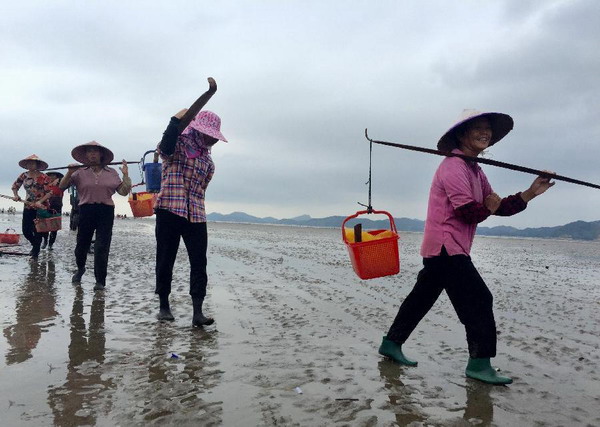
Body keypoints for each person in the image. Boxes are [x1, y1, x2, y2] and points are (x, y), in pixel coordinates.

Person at [379, 110, 555, 385]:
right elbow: (468, 213)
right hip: (447, 246)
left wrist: (531, 192)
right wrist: (487, 207)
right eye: (478, 128)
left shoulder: (475, 170)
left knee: (422, 297)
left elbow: (499, 208)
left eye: (488, 129)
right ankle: (479, 364)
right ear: (462, 134)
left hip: (448, 247)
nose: (485, 132)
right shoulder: (453, 167)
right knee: (479, 299)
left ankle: (391, 343)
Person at [154, 77, 227, 327]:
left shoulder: (209, 162)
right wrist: (175, 120)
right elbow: (165, 144)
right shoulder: (178, 145)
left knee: (199, 261)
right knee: (166, 258)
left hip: (196, 215)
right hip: (169, 209)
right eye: (210, 135)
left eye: (215, 137)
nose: (213, 140)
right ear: (198, 130)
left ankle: (198, 310)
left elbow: (202, 190)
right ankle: (164, 304)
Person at [59, 141, 131, 291]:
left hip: (106, 211)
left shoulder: (112, 172)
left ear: (101, 154)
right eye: (89, 151)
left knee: (102, 247)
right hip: (86, 210)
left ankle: (100, 281)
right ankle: (80, 269)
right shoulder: (79, 172)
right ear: (85, 155)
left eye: (95, 151)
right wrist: (69, 172)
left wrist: (126, 175)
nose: (92, 154)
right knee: (81, 245)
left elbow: (123, 192)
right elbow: (62, 186)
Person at [12, 155, 53, 260]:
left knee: (37, 230)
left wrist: (40, 201)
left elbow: (49, 193)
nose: (30, 165)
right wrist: (16, 195)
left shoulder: (44, 177)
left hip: (41, 207)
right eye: (28, 163)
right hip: (28, 205)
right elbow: (15, 186)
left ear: (37, 165)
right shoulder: (24, 176)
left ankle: (35, 252)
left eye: (33, 163)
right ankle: (35, 245)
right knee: (26, 230)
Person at [40, 171, 65, 250]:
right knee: (44, 227)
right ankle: (45, 241)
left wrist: (60, 180)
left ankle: (51, 244)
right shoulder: (45, 185)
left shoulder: (61, 185)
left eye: (53, 175)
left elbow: (69, 179)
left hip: (57, 208)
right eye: (50, 175)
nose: (51, 177)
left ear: (57, 177)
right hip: (45, 207)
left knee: (54, 228)